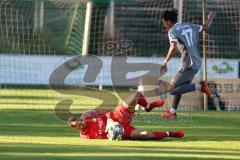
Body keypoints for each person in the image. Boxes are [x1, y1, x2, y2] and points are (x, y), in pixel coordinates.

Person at [160, 9, 216, 120]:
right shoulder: (188, 25)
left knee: (171, 89)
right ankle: (172, 112)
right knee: (179, 87)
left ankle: (201, 86)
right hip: (196, 63)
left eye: (164, 22)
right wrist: (210, 19)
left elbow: (173, 47)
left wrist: (165, 62)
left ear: (169, 21)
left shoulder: (172, 31)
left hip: (187, 64)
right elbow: (205, 27)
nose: (164, 25)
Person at [68, 92, 184, 140]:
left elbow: (107, 110)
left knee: (135, 95)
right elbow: (103, 139)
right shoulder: (85, 137)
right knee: (145, 135)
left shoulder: (87, 115)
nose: (80, 124)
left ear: (81, 118)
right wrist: (113, 134)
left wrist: (109, 120)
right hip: (122, 131)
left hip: (118, 115)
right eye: (77, 125)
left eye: (80, 121)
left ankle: (148, 106)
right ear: (75, 128)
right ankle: (171, 133)